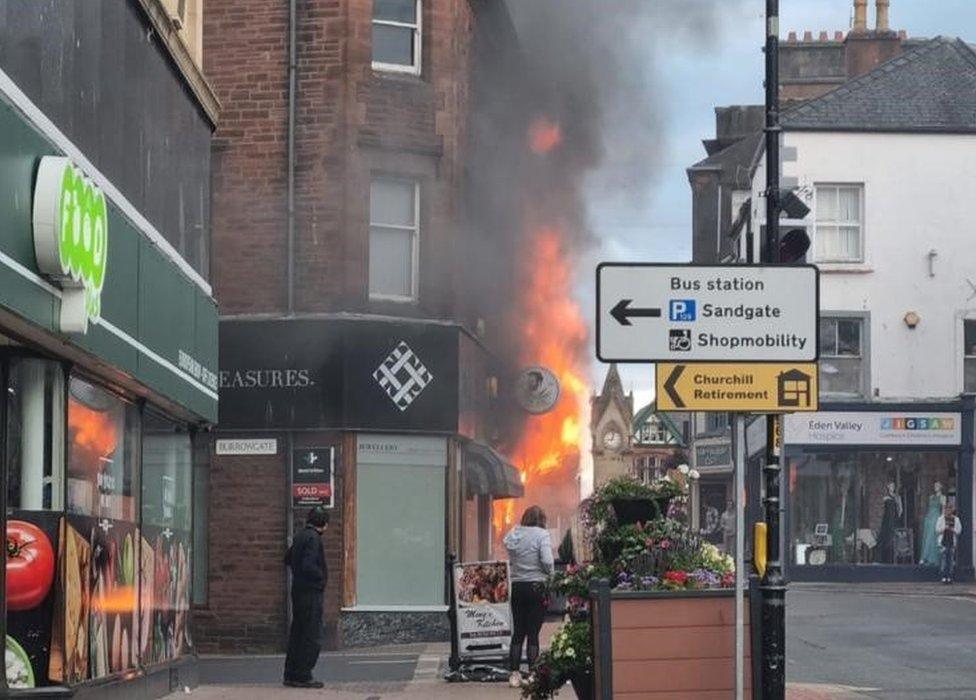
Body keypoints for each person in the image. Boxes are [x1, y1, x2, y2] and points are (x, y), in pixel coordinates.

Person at [504, 505, 555, 688]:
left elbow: (507, 545)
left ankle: (514, 675)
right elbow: (548, 560)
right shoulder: (542, 535)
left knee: (518, 632)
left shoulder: (514, 534)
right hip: (536, 587)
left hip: (517, 587)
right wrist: (550, 574)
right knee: (533, 633)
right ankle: (533, 674)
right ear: (542, 519)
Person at [283, 507, 329, 688]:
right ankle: (303, 675)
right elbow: (309, 565)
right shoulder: (314, 539)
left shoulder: (300, 536)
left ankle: (291, 674)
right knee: (311, 635)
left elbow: (287, 558)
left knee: (298, 633)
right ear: (324, 525)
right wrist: (320, 578)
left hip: (298, 591)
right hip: (311, 592)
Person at [936, 505, 962, 584]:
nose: (948, 511)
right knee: (943, 560)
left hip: (951, 542)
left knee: (950, 561)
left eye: (950, 509)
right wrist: (944, 528)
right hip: (943, 542)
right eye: (947, 509)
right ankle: (943, 577)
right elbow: (937, 530)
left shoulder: (956, 519)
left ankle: (950, 577)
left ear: (952, 510)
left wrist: (952, 529)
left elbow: (959, 530)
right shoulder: (940, 519)